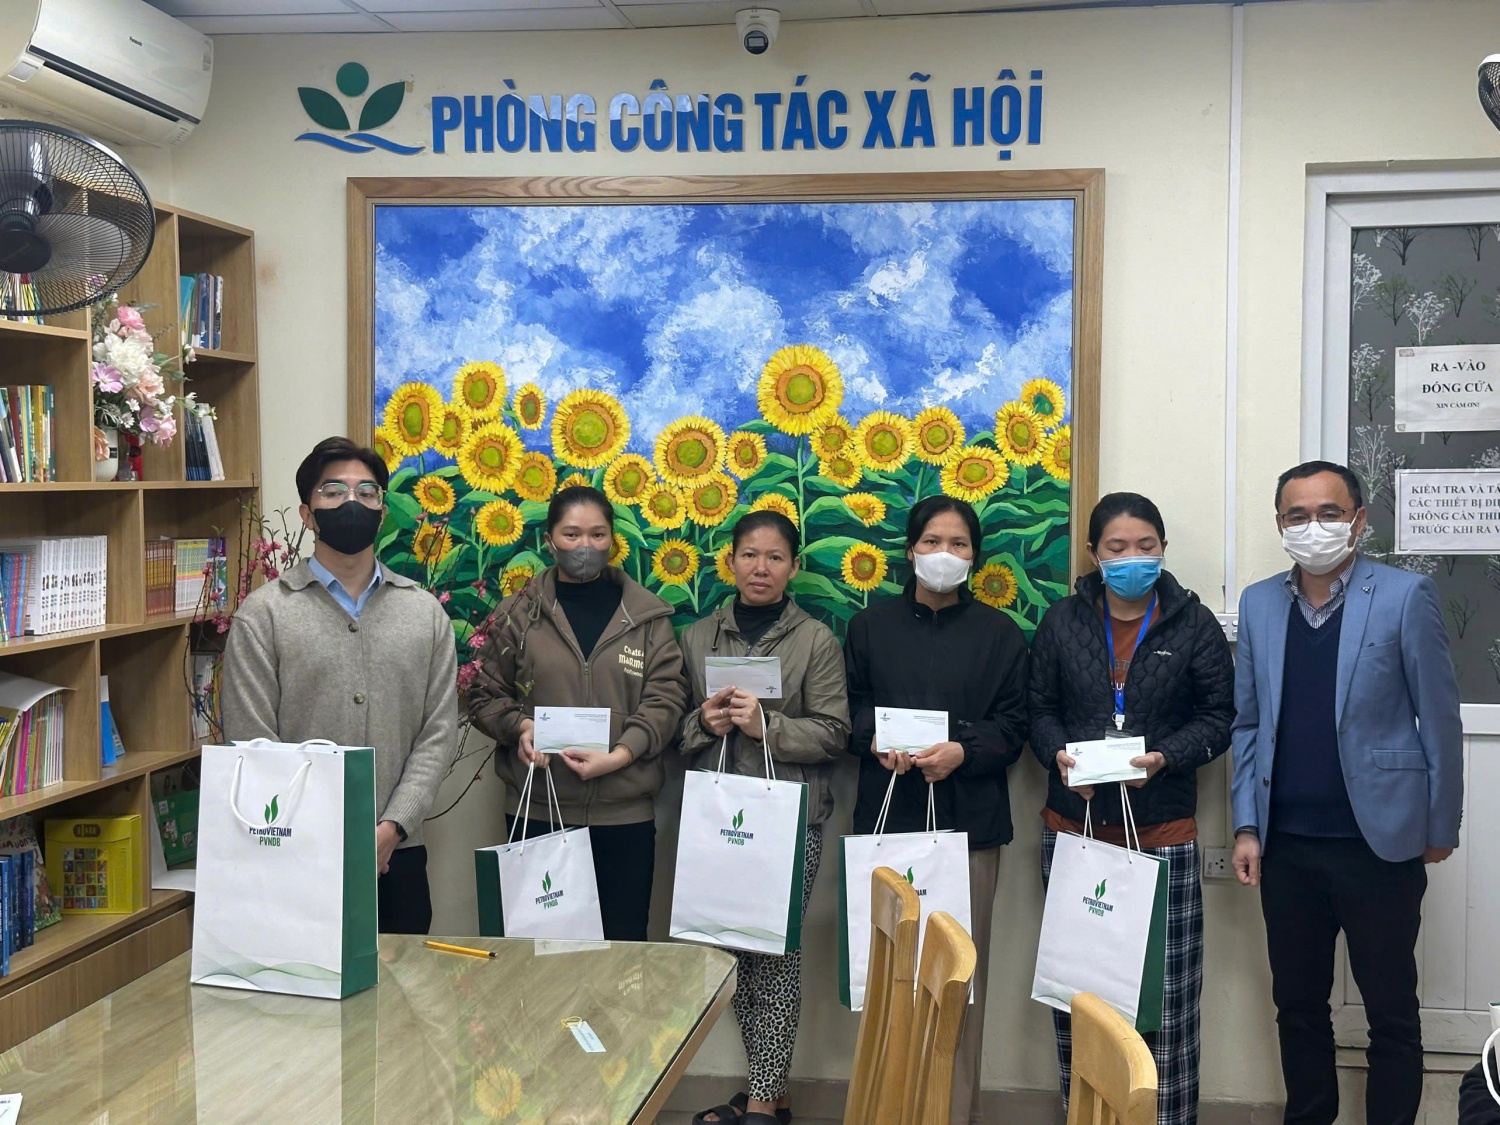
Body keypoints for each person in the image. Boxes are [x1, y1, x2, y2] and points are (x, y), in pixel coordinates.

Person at [1231, 460, 1463, 1125]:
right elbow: (1248, 723)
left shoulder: (1405, 595)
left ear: (1358, 520)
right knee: (1298, 1006)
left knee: (1391, 1010)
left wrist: (1440, 825)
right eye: (1297, 515)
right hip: (1287, 846)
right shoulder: (1259, 603)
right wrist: (1246, 825)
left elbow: (1439, 719)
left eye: (1329, 513)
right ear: (1280, 525)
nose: (1314, 527)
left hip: (1379, 842)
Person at [1028, 492, 1234, 1125]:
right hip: (1077, 832)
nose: (1132, 558)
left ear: (1163, 549)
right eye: (1117, 547)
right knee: (1081, 998)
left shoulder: (1194, 624)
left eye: (1146, 546)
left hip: (1161, 832)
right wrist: (1059, 756)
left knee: (1164, 1006)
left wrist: (1166, 757)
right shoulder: (1062, 621)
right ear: (1094, 553)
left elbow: (1219, 719)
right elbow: (1040, 709)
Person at [223, 435, 458, 934]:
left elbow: (437, 733)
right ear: (308, 515)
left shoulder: (424, 613)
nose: (352, 502)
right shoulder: (264, 615)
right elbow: (251, 740)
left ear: (381, 512)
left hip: (399, 855)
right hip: (294, 855)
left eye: (366, 493)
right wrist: (316, 832)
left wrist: (393, 827)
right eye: (333, 492)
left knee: (402, 981)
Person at [843, 495, 1029, 1125]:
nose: (944, 554)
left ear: (975, 556)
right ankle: (885, 1110)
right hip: (887, 822)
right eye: (931, 542)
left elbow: (1016, 726)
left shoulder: (1000, 635)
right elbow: (849, 710)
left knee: (958, 985)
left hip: (969, 827)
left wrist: (963, 751)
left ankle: (954, 1113)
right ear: (910, 550)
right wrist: (876, 739)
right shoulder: (870, 627)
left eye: (958, 544)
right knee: (886, 980)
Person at [678, 510, 850, 1125]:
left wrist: (766, 726)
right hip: (717, 820)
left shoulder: (816, 640)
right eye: (749, 554)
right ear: (730, 561)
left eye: (775, 557)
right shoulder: (698, 637)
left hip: (788, 821)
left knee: (774, 956)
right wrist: (704, 721)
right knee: (728, 954)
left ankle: (758, 1101)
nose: (761, 567)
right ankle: (772, 1094)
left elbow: (834, 734)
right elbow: (674, 731)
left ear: (793, 567)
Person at [467, 485, 687, 941]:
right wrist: (519, 727)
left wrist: (622, 754)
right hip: (539, 811)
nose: (585, 546)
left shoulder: (647, 618)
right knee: (541, 953)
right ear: (549, 540)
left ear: (612, 540)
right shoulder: (517, 615)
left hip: (624, 815)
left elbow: (667, 699)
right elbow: (483, 692)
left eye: (597, 534)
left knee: (623, 951)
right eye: (571, 535)